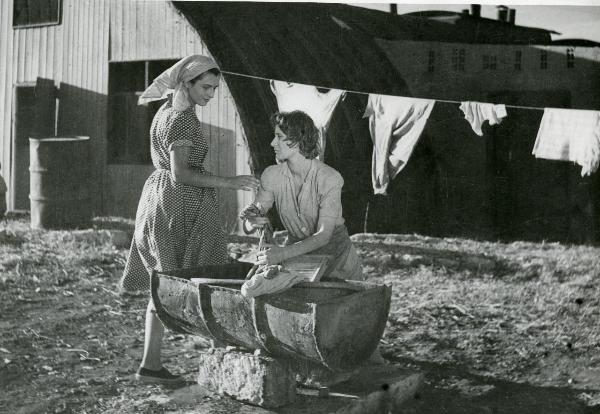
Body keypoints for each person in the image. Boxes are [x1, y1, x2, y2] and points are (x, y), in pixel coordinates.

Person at [119, 55, 259, 384]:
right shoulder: (181, 119)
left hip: (162, 199)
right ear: (187, 83)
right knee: (200, 278)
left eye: (214, 88)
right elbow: (181, 173)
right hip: (178, 206)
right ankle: (221, 357)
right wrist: (230, 182)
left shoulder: (167, 112)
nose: (211, 94)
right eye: (206, 87)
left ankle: (151, 364)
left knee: (166, 283)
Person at [242, 110, 364, 282]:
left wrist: (282, 253)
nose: (272, 143)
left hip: (337, 261)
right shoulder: (271, 175)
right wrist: (251, 221)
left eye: (278, 136)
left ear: (297, 140)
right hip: (297, 259)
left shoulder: (329, 178)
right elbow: (253, 214)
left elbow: (323, 235)